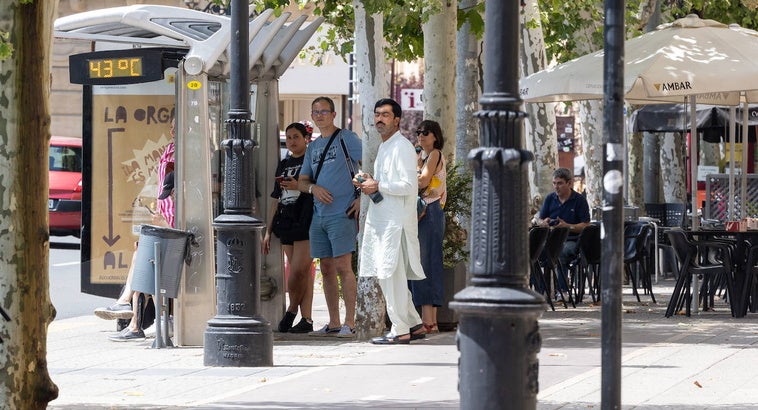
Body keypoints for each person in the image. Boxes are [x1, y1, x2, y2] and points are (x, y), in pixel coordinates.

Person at [355, 98, 426, 345]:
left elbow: (409, 186)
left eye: (385, 114)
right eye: (377, 114)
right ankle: (414, 324)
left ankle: (400, 329)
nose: (379, 119)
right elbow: (385, 185)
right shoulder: (386, 146)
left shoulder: (402, 147)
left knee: (389, 275)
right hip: (383, 220)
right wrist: (369, 180)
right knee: (388, 274)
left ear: (397, 119)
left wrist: (378, 184)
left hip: (395, 223)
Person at [98, 118, 176, 342]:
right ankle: (134, 321)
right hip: (163, 216)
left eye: (176, 126)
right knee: (141, 253)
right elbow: (161, 185)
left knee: (143, 255)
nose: (172, 130)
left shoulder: (189, 150)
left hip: (173, 223)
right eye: (171, 126)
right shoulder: (169, 149)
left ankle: (129, 310)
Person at [297, 96, 361, 337]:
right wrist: (314, 188)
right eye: (315, 112)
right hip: (318, 215)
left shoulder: (347, 138)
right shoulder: (312, 147)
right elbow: (303, 181)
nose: (320, 115)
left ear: (333, 114)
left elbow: (370, 164)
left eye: (324, 111)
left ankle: (350, 322)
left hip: (342, 212)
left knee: (344, 266)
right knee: (325, 268)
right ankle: (334, 322)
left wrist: (361, 198)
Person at [262, 122, 315, 334]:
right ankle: (307, 319)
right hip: (285, 219)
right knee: (300, 274)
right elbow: (275, 197)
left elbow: (315, 188)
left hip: (305, 218)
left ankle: (291, 311)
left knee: (299, 271)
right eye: (289, 137)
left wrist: (298, 186)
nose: (292, 141)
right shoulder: (283, 163)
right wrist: (268, 229)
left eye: (296, 137)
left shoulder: (310, 160)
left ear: (306, 139)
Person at [410, 120, 446, 334]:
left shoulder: (434, 154)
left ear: (435, 135)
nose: (421, 136)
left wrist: (411, 172)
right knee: (421, 263)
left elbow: (422, 182)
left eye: (426, 132)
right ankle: (429, 320)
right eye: (419, 132)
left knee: (427, 262)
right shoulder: (421, 156)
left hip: (430, 211)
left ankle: (429, 320)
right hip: (422, 212)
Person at [536, 167, 591, 289]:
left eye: (560, 183)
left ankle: (563, 291)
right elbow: (540, 219)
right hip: (550, 239)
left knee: (560, 252)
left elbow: (586, 225)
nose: (556, 187)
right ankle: (540, 291)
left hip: (573, 240)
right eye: (554, 183)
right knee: (533, 253)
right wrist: (543, 222)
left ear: (569, 183)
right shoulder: (550, 198)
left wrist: (568, 226)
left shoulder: (579, 200)